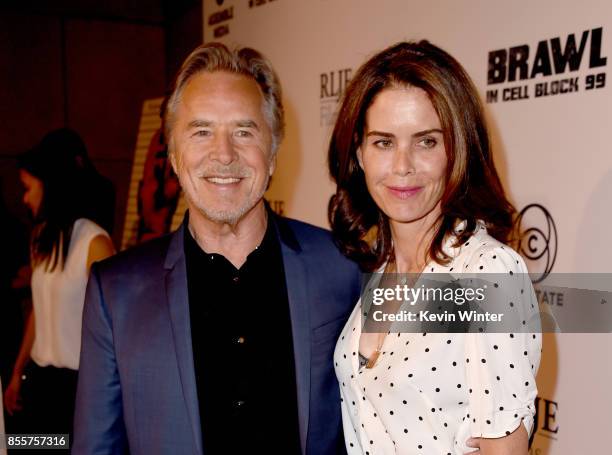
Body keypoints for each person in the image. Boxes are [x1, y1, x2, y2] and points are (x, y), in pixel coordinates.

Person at [72, 42, 361, 455]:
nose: (224, 154)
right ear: (173, 154)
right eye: (201, 131)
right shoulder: (116, 292)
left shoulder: (341, 265)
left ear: (273, 151)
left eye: (244, 131)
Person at [329, 41, 541, 455]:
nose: (402, 165)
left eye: (426, 142)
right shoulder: (383, 266)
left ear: (456, 150)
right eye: (383, 142)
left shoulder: (487, 273)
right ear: (359, 152)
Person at [3, 134, 115, 439]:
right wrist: (17, 372)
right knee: (31, 448)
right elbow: (39, 312)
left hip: (78, 387)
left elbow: (115, 327)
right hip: (38, 380)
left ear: (50, 186)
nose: (24, 199)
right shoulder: (41, 237)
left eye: (28, 188)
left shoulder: (96, 243)